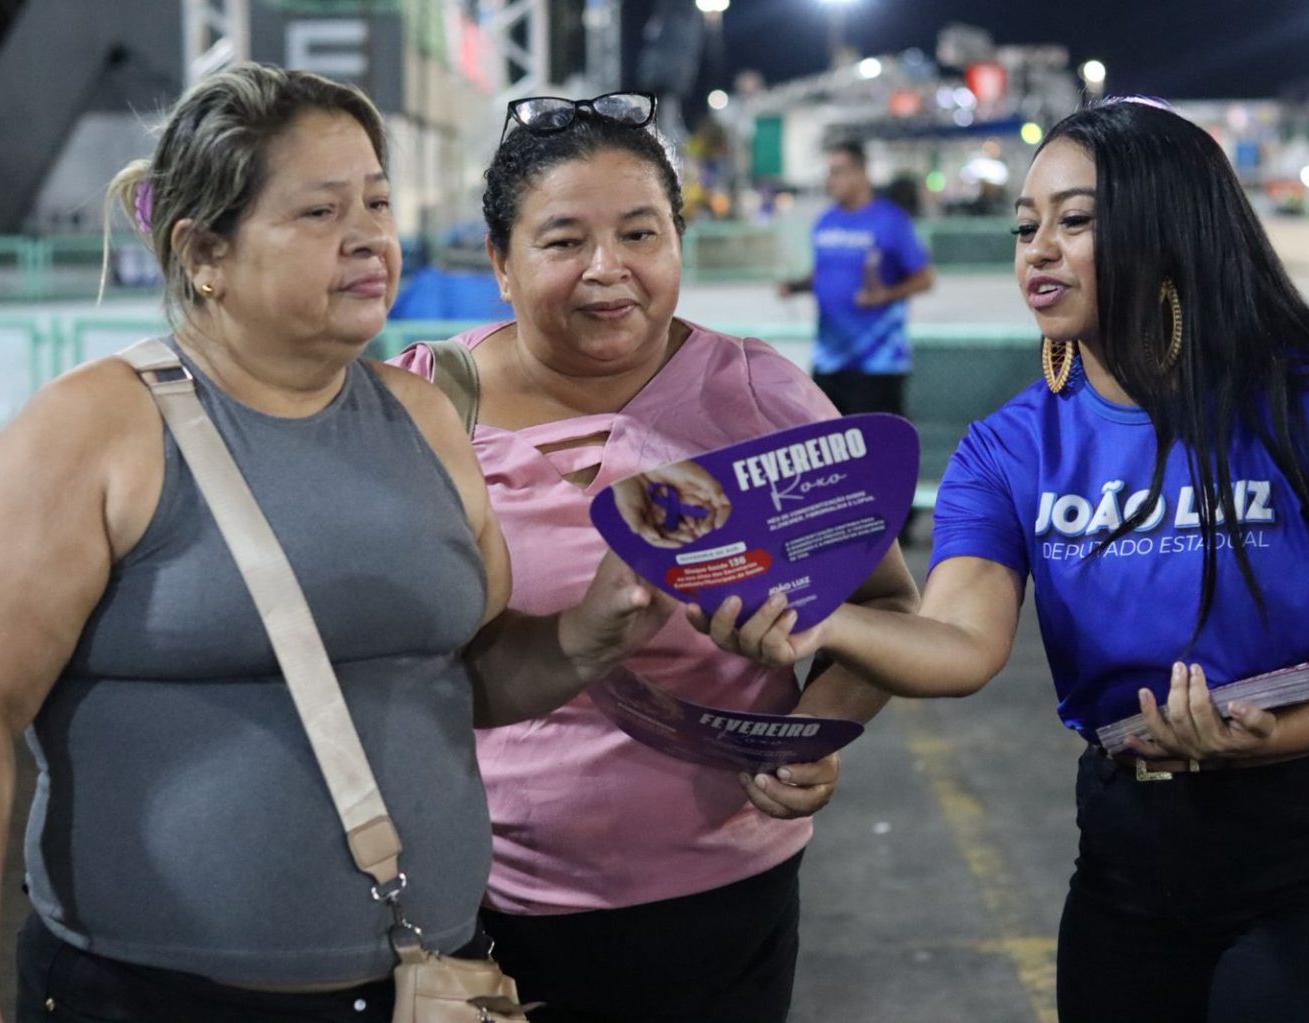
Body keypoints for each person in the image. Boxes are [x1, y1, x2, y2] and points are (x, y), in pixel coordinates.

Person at [0, 64, 670, 1023]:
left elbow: (461, 674)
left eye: (377, 202)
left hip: (427, 983)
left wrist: (587, 636)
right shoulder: (91, 435)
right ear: (205, 251)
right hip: (150, 997)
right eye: (318, 213)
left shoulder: (423, 418)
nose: (370, 238)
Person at [708, 98, 1309, 1022]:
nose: (1038, 248)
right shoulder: (1007, 449)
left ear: (1171, 226)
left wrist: (1294, 730)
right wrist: (821, 617)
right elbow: (959, 642)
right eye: (1027, 225)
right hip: (1127, 855)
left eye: (1075, 221)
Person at [388, 92, 919, 1023]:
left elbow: (887, 607)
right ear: (500, 264)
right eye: (563, 241)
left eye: (641, 234)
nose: (609, 271)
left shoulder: (757, 396)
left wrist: (818, 732)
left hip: (716, 899)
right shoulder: (433, 402)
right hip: (475, 899)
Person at [779, 140, 935, 422]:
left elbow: (924, 279)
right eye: (829, 172)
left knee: (880, 455)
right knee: (830, 452)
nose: (831, 180)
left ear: (861, 173)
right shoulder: (824, 222)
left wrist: (885, 295)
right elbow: (823, 274)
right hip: (829, 360)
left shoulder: (890, 220)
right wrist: (796, 286)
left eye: (838, 171)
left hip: (878, 363)